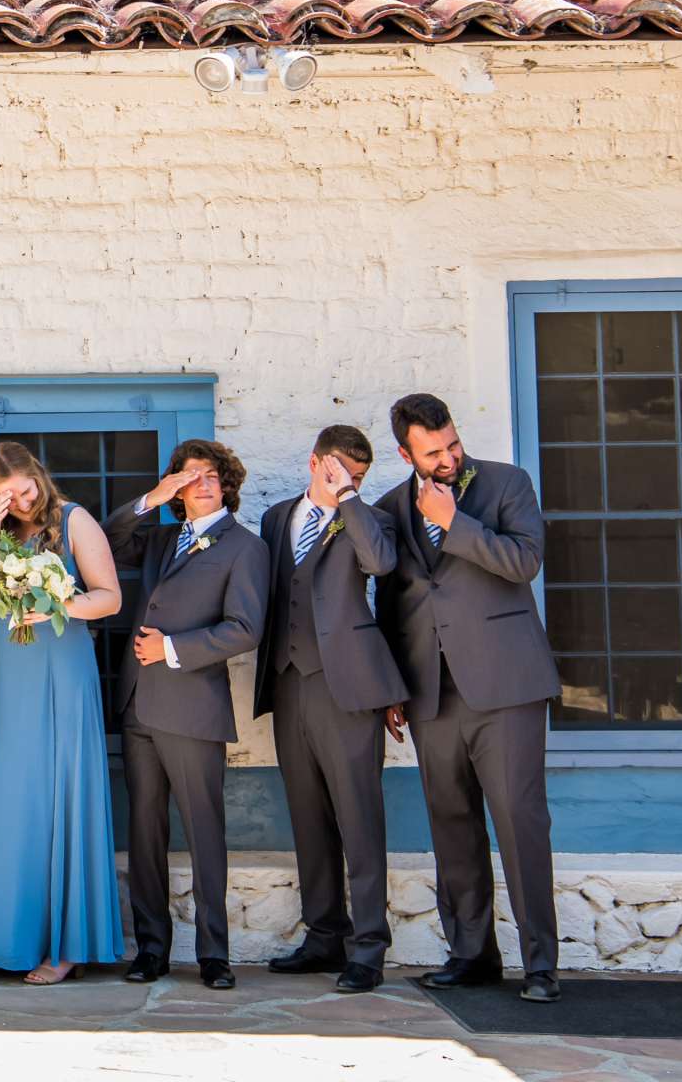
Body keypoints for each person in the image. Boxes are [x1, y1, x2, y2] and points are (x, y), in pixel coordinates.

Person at [375, 393, 564, 1004]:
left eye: (452, 444)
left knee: (520, 824)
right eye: (432, 451)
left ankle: (540, 965)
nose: (448, 457)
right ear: (406, 453)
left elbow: (523, 562)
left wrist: (455, 522)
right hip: (432, 693)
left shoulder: (507, 485)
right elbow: (393, 604)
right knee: (452, 827)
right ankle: (472, 954)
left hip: (506, 689)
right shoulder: (390, 508)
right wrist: (392, 688)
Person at [104, 440, 271, 990]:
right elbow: (108, 541)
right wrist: (153, 496)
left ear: (226, 484)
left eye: (211, 475)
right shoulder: (159, 537)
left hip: (193, 706)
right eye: (189, 475)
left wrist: (172, 649)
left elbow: (245, 628)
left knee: (204, 832)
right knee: (144, 832)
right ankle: (151, 949)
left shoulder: (244, 547)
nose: (201, 482)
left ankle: (213, 954)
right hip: (138, 706)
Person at [0, 442, 125, 984]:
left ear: (38, 476)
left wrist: (55, 604)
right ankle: (7, 939)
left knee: (59, 796)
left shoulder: (75, 520)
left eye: (25, 489)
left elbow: (110, 598)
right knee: (14, 797)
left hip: (62, 667)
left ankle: (64, 945)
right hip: (12, 673)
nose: (22, 501)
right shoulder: (2, 533)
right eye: (6, 495)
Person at [253, 424, 407, 995]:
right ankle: (323, 936)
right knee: (309, 816)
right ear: (315, 461)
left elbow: (381, 564)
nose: (350, 481)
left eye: (359, 476)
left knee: (359, 818)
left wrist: (348, 498)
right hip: (289, 681)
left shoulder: (369, 519)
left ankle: (368, 947)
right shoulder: (275, 519)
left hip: (349, 686)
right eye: (340, 471)